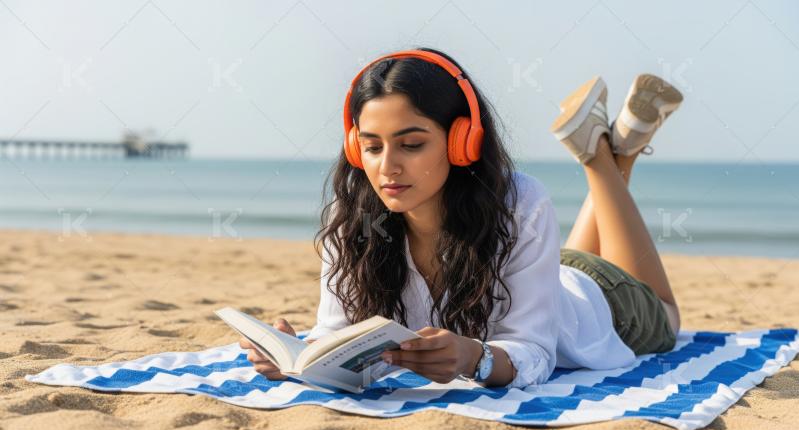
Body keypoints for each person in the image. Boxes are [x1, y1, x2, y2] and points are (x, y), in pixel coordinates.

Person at [240, 47, 683, 389]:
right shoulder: (351, 215)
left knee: (668, 317)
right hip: (546, 271)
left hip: (601, 300)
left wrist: (476, 358)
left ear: (462, 142)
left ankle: (602, 160)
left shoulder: (522, 202)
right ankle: (619, 146)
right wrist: (296, 353)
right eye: (372, 147)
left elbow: (535, 352)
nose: (387, 167)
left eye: (411, 144)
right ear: (356, 148)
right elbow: (336, 332)